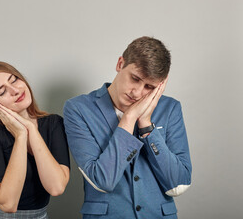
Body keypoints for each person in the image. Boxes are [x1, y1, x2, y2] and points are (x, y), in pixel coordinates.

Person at [63, 36, 192, 219]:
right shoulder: (79, 109)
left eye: (149, 87)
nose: (137, 92)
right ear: (120, 63)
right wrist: (129, 118)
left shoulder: (170, 108)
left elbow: (178, 184)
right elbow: (102, 180)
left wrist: (147, 127)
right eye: (135, 78)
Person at [0, 61, 70, 219]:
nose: (15, 90)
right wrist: (21, 136)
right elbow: (8, 204)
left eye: (14, 80)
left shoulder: (53, 124)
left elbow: (56, 187)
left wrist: (31, 129)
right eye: (2, 92)